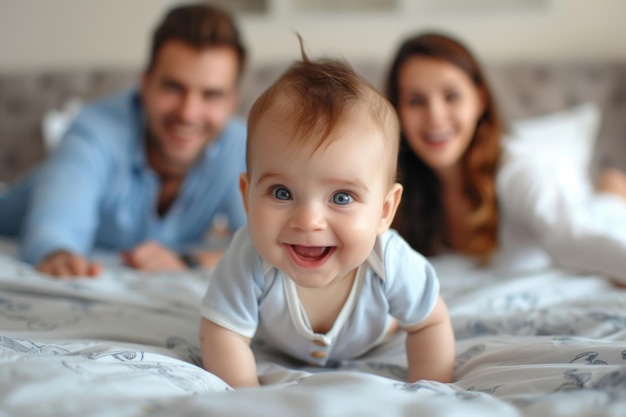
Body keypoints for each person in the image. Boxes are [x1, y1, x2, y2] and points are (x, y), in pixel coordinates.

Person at [199, 38, 455, 388]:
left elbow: (430, 323)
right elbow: (222, 334)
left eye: (342, 198)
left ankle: (390, 320)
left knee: (401, 314)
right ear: (247, 196)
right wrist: (248, 400)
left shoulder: (390, 261)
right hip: (281, 341)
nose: (307, 221)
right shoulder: (248, 258)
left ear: (384, 211)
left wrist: (430, 395)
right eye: (282, 192)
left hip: (371, 335)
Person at [0, 4, 247, 277]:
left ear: (232, 102)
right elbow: (54, 229)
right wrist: (60, 255)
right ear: (145, 84)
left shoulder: (239, 144)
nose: (188, 113)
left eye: (211, 95)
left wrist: (190, 260)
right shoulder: (93, 132)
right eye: (173, 87)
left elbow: (263, 243)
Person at [385, 31, 626, 281]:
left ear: (480, 99)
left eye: (452, 96)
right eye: (415, 101)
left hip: (582, 216)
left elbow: (573, 239)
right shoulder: (396, 184)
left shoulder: (516, 170)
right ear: (397, 110)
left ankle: (612, 188)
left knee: (607, 209)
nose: (435, 117)